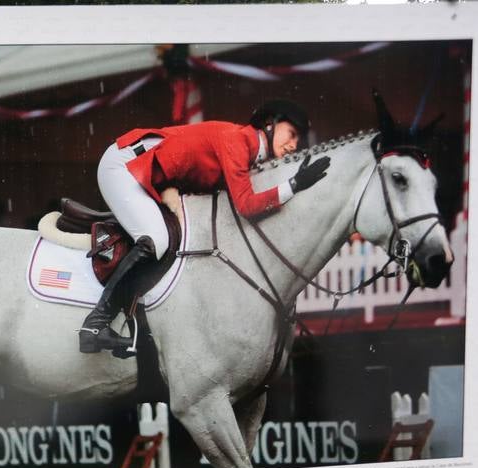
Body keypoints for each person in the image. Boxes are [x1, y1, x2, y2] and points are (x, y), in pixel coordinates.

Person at [79, 99, 330, 355]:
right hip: (124, 166)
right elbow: (246, 206)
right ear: (270, 124)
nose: (294, 144)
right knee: (156, 239)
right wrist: (294, 185)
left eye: (298, 140)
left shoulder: (250, 152)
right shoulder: (237, 140)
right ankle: (95, 324)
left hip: (142, 167)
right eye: (292, 134)